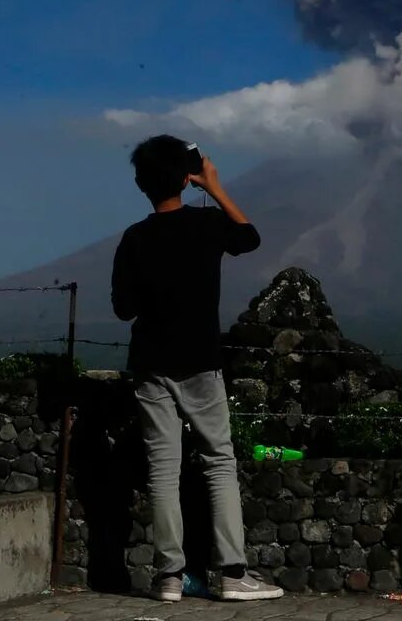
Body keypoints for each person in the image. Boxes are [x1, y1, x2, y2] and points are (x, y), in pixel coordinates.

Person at [111, 135, 281, 603]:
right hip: (201, 363)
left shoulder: (134, 238)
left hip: (149, 364)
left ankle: (169, 577)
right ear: (186, 179)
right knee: (218, 461)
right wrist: (215, 186)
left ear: (141, 184)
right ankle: (232, 573)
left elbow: (124, 309)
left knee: (162, 471)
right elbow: (249, 237)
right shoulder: (207, 225)